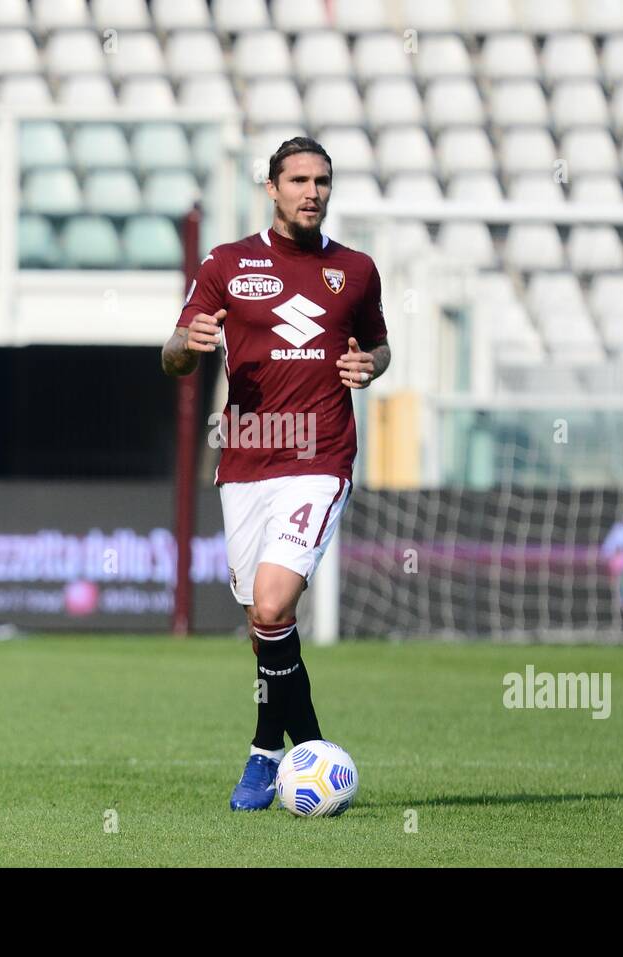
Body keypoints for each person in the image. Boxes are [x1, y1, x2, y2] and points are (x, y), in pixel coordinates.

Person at [161, 137, 392, 810]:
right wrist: (185, 346)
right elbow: (173, 354)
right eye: (298, 180)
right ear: (271, 188)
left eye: (322, 180)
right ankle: (273, 750)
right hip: (245, 459)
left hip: (319, 456)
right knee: (264, 624)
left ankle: (306, 750)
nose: (312, 192)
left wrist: (370, 366)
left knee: (271, 603)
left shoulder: (355, 270)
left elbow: (376, 344)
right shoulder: (227, 265)